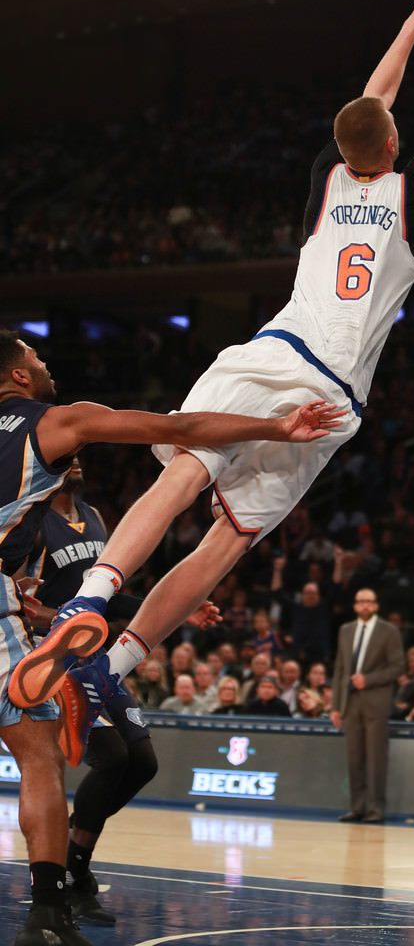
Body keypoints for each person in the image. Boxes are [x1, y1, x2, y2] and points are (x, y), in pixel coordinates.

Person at [9, 0, 414, 767]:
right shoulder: (411, 193)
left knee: (181, 476)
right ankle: (117, 662)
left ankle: (89, 602)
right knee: (226, 544)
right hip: (332, 388)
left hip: (268, 348)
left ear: (347, 149)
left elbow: (373, 100)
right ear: (392, 145)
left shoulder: (323, 177)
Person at [0, 330, 335, 946]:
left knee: (125, 758)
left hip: (45, 615)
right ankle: (48, 912)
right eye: (37, 360)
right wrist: (275, 429)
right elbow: (179, 428)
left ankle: (71, 883)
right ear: (18, 378)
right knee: (40, 759)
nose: (45, 366)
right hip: (17, 620)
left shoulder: (92, 516)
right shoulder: (51, 424)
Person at [23, 456, 157, 927]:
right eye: (68, 455)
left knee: (143, 762)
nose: (77, 460)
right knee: (112, 757)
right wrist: (36, 613)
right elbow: (25, 601)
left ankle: (72, 856)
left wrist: (172, 606)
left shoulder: (97, 518)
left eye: (82, 455)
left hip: (95, 655)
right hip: (51, 656)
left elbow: (109, 598)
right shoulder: (33, 522)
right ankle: (73, 873)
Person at [330, 588, 404, 823]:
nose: (364, 605)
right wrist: (335, 705)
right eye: (360, 601)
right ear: (354, 605)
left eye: (368, 602)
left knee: (375, 759)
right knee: (354, 759)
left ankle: (376, 808)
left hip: (376, 702)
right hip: (350, 703)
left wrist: (368, 680)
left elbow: (397, 667)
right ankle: (357, 807)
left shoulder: (389, 631)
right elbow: (340, 669)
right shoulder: (345, 630)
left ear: (376, 606)